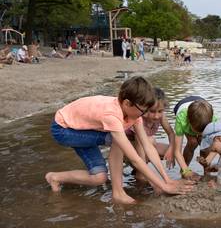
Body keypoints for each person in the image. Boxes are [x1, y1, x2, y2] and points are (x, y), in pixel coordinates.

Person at [45, 77, 193, 204]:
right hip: (64, 130)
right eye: (142, 110)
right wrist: (161, 185)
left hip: (83, 129)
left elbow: (147, 146)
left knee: (99, 178)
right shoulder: (112, 115)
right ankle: (118, 192)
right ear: (127, 103)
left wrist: (166, 180)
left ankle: (55, 177)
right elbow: (135, 159)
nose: (144, 114)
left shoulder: (134, 114)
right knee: (117, 139)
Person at [126, 87, 175, 178]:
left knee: (176, 151)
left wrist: (171, 149)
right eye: (152, 111)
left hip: (145, 145)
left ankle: (139, 169)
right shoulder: (139, 119)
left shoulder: (161, 116)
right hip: (127, 149)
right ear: (144, 108)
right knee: (150, 140)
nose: (156, 116)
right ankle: (139, 172)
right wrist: (142, 173)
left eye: (160, 111)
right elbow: (141, 141)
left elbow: (171, 133)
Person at [173, 96, 216, 180]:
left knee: (204, 144)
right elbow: (177, 151)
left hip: (201, 103)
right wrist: (186, 171)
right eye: (198, 131)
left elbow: (217, 145)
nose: (200, 133)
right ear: (189, 122)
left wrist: (208, 159)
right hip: (182, 106)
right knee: (193, 142)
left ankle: (206, 172)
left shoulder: (213, 120)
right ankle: (183, 170)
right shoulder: (182, 120)